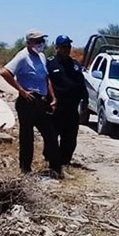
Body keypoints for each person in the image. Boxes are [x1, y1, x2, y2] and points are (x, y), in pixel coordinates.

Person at [0, 29, 62, 178]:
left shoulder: (41, 56)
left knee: (51, 134)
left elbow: (46, 78)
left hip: (42, 101)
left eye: (42, 40)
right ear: (28, 42)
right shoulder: (22, 56)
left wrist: (53, 97)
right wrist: (21, 90)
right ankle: (25, 169)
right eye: (37, 41)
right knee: (27, 137)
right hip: (28, 101)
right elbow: (4, 72)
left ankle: (56, 168)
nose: (41, 43)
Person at [47, 35, 88, 166]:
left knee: (70, 138)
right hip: (56, 108)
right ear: (57, 48)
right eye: (64, 46)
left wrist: (85, 99)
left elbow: (81, 83)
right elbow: (45, 82)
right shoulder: (50, 63)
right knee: (51, 136)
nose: (67, 49)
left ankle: (64, 162)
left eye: (69, 46)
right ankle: (50, 159)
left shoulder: (75, 65)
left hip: (71, 108)